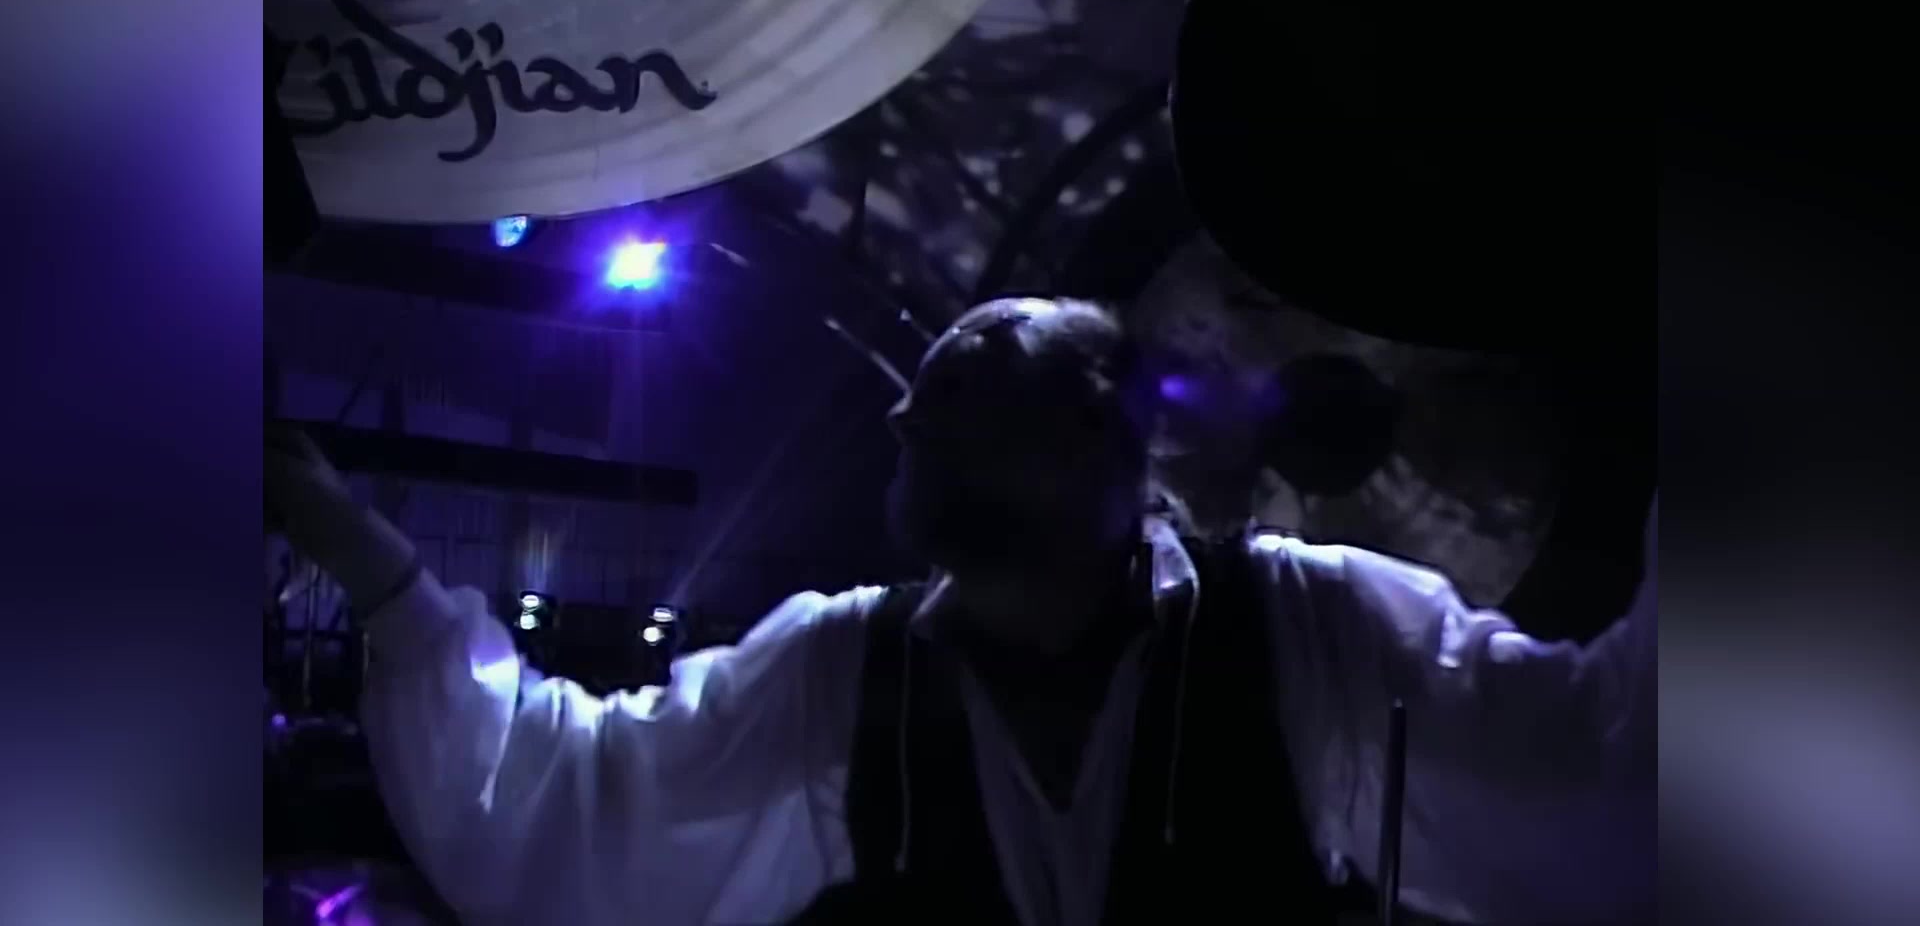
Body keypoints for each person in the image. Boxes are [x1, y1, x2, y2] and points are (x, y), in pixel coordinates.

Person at [267, 297, 1656, 926]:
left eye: (988, 401)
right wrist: (354, 544)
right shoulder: (840, 659)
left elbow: (1594, 771)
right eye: (927, 423)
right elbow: (574, 793)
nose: (914, 433)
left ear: (1112, 448)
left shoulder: (1310, 622)